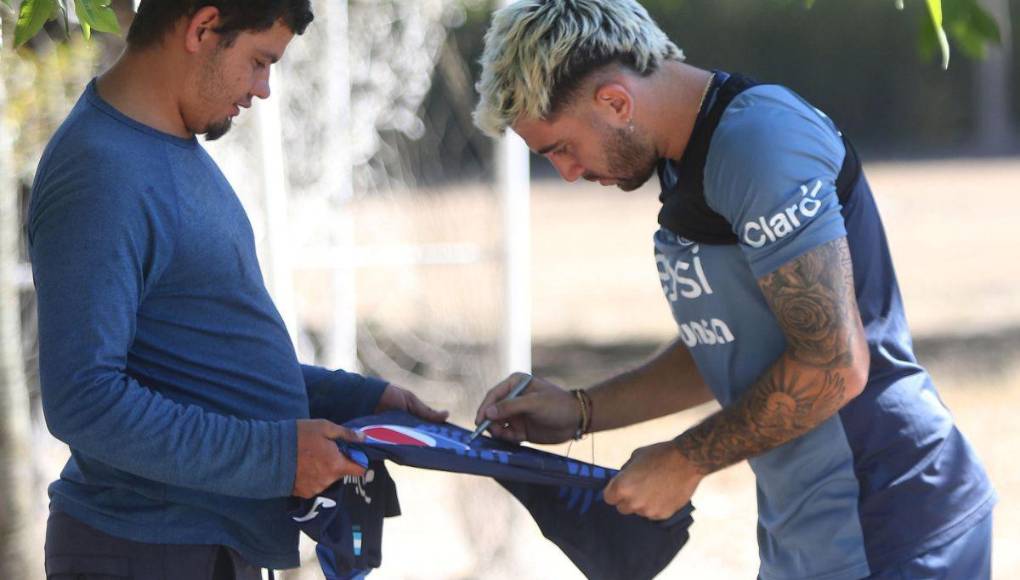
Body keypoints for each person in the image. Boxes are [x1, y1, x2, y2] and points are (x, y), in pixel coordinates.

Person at [471, 1, 996, 578]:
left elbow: (835, 362)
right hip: (806, 534)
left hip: (891, 523)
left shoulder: (758, 144)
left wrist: (685, 459)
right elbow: (729, 349)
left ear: (615, 103)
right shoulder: (682, 161)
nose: (567, 173)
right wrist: (580, 411)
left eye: (562, 149)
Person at [28, 1, 446, 577]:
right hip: (144, 548)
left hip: (204, 547)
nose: (264, 89)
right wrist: (277, 459)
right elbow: (85, 402)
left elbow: (194, 362)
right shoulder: (100, 172)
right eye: (258, 61)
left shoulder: (167, 146)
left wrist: (354, 399)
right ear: (203, 28)